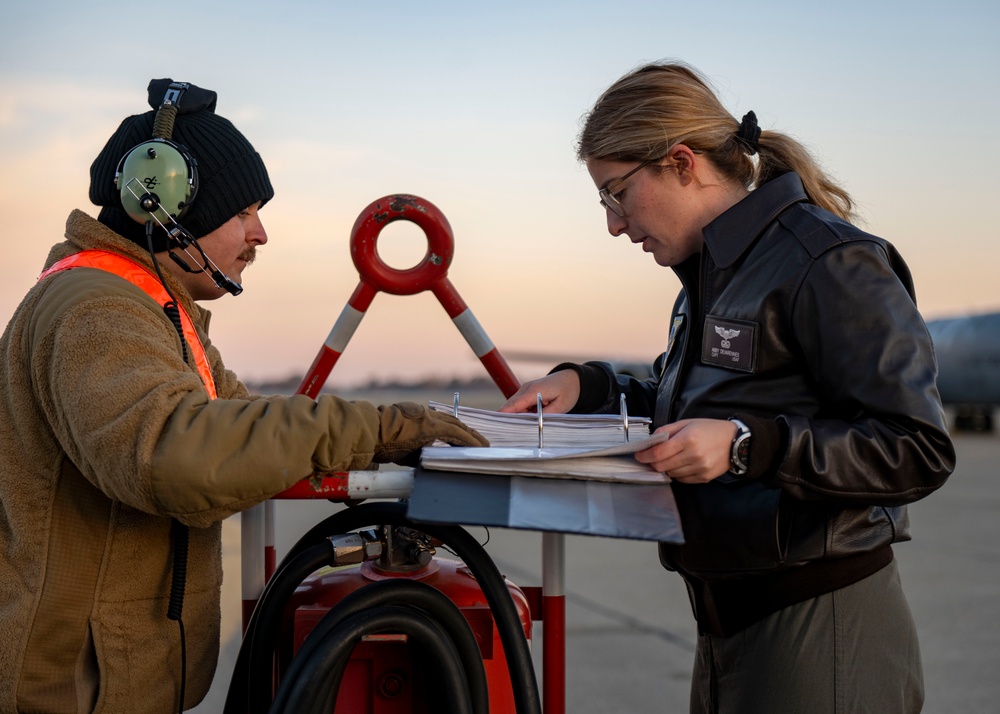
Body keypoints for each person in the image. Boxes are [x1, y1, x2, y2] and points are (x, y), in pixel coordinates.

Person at [0, 79, 487, 714]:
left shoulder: (151, 309)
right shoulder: (98, 312)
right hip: (70, 694)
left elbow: (242, 422)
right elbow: (175, 456)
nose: (260, 235)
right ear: (166, 204)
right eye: (245, 212)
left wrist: (387, 434)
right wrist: (381, 431)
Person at [501, 61, 955, 713]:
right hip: (728, 630)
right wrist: (589, 386)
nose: (613, 224)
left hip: (818, 628)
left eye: (616, 193)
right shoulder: (714, 275)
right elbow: (693, 404)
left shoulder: (826, 262)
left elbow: (916, 447)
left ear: (682, 163)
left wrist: (748, 446)